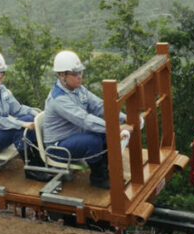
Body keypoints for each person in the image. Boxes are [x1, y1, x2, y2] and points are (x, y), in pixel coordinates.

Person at [41, 50, 129, 189]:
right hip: (58, 146)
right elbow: (84, 120)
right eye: (75, 74)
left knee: (103, 134)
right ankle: (98, 178)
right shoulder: (59, 99)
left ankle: (106, 171)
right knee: (93, 141)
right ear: (62, 75)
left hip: (74, 137)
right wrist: (115, 128)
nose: (80, 77)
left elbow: (99, 106)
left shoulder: (78, 89)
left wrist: (124, 118)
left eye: (80, 72)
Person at [0, 51, 51, 181]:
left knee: (28, 119)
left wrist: (36, 113)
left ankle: (38, 163)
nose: (0, 76)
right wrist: (21, 124)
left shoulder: (2, 90)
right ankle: (32, 169)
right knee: (19, 127)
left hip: (0, 134)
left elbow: (17, 109)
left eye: (2, 72)